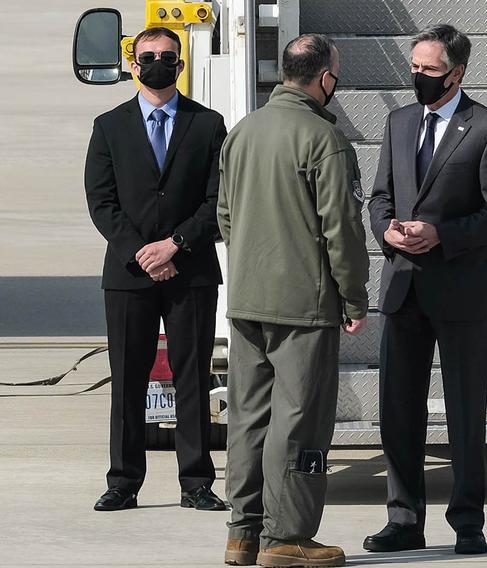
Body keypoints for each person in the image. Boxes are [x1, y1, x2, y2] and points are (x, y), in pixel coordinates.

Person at [364, 24, 487, 556]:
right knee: (398, 411)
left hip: (461, 291)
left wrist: (443, 235)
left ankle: (468, 523)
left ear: (457, 73)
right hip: (404, 287)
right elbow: (380, 195)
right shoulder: (399, 122)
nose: (418, 77)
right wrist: (385, 229)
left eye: (429, 70)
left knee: (463, 412)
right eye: (414, 67)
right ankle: (404, 518)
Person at [218, 34, 369, 568]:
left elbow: (226, 216)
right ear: (324, 78)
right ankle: (289, 537)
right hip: (303, 305)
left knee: (247, 417)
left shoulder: (242, 133)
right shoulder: (323, 140)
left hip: (247, 300)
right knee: (300, 420)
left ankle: (242, 534)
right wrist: (354, 298)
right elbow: (343, 232)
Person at [85, 27, 227, 513]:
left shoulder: (208, 124)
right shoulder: (109, 126)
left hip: (190, 272)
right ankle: (123, 481)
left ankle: (196, 482)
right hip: (129, 275)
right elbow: (101, 202)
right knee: (128, 378)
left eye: (168, 56)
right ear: (133, 63)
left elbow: (218, 200)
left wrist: (175, 245)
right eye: (148, 56)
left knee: (192, 377)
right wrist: (144, 252)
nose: (158, 63)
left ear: (181, 64)